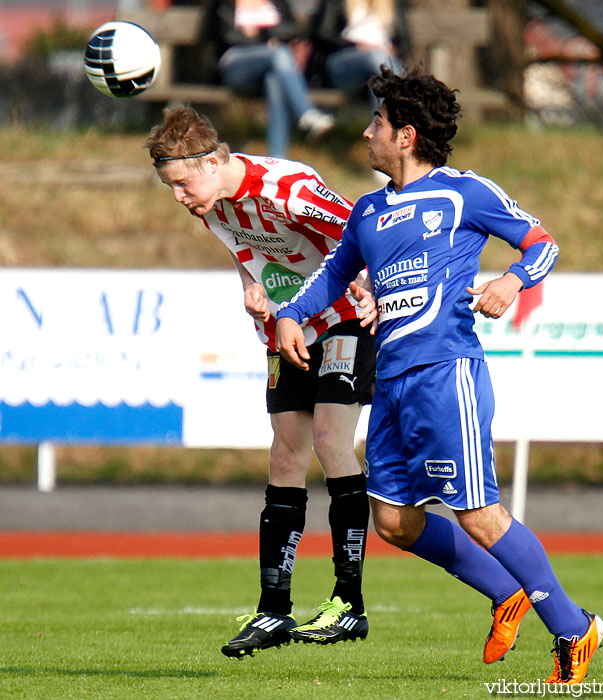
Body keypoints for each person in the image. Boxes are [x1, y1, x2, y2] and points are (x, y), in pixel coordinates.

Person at [275, 66, 603, 684]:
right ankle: (506, 593)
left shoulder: (463, 193)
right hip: (393, 381)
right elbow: (334, 274)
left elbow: (543, 244)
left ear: (405, 135)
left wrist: (512, 279)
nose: (367, 133)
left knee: (479, 515)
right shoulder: (368, 209)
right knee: (395, 522)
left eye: (376, 123)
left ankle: (574, 627)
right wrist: (292, 314)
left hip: (445, 371)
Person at [145, 104, 377, 658]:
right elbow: (244, 249)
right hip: (285, 323)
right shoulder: (211, 203)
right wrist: (249, 283)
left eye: (180, 184)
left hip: (345, 312)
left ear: (207, 163)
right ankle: (274, 610)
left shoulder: (288, 187)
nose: (178, 197)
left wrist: (374, 282)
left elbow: (360, 230)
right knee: (284, 457)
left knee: (329, 441)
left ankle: (349, 604)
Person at [199, 0, 335, 158]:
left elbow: (293, 30)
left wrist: (259, 32)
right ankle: (306, 112)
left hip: (272, 65)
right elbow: (222, 34)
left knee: (275, 80)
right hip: (235, 62)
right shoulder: (224, 4)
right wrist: (265, 39)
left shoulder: (277, 3)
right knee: (279, 53)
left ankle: (277, 158)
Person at [306, 0, 410, 109]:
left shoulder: (392, 3)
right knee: (378, 60)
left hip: (381, 62)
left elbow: (404, 42)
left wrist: (394, 49)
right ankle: (396, 120)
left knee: (381, 72)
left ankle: (383, 123)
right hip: (343, 60)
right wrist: (356, 45)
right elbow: (323, 33)